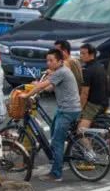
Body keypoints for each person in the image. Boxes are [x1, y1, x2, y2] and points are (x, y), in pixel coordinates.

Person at [17, 49, 81, 182]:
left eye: (51, 60)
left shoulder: (61, 72)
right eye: (47, 60)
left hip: (68, 111)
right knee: (53, 130)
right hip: (65, 109)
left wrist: (27, 95)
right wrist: (38, 85)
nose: (48, 63)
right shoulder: (59, 72)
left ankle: (56, 174)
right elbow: (49, 88)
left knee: (57, 142)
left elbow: (44, 86)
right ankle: (56, 160)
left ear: (60, 61)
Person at [77, 43, 109, 132]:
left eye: (83, 54)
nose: (81, 56)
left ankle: (88, 146)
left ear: (91, 55)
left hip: (94, 105)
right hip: (104, 102)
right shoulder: (100, 66)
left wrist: (79, 110)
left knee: (80, 131)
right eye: (80, 53)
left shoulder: (88, 70)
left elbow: (84, 93)